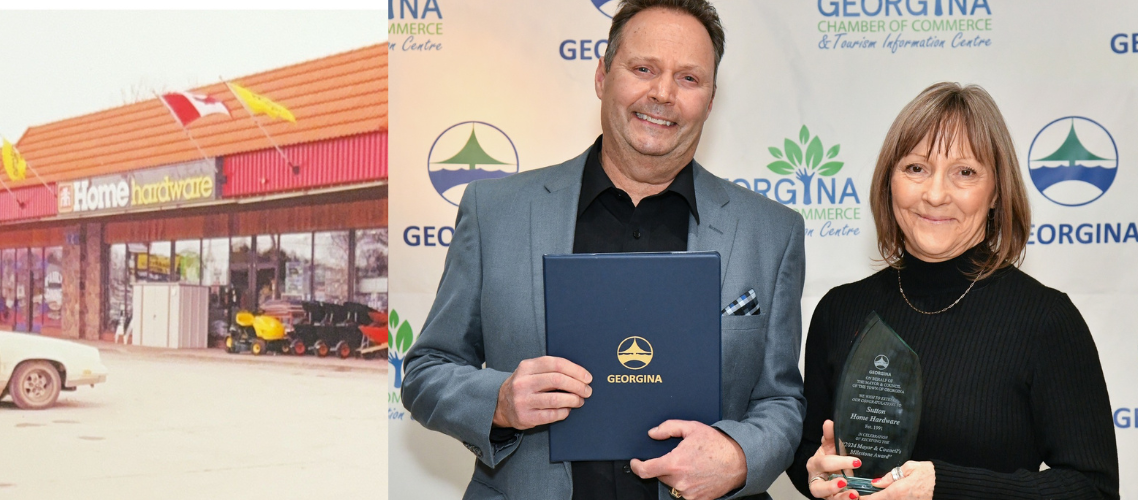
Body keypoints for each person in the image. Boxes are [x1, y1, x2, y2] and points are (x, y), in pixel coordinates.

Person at [402, 1, 807, 499]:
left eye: (688, 79)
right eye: (643, 69)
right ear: (602, 75)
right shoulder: (496, 212)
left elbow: (781, 401)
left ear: (710, 98)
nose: (662, 94)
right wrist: (500, 401)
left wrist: (740, 453)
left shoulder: (772, 231)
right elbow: (425, 371)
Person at [787, 83, 1119, 500]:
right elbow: (808, 454)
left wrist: (945, 487)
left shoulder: (1046, 320)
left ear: (996, 191)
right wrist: (814, 473)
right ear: (889, 181)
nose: (936, 194)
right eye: (916, 168)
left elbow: (1093, 489)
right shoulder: (841, 310)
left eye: (964, 172)